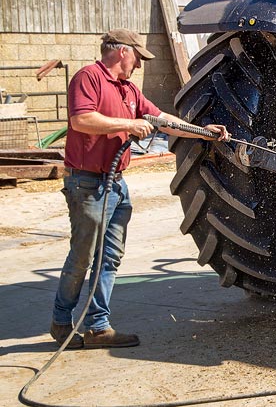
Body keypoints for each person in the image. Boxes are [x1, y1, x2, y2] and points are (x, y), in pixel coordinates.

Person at [50, 29, 229, 350]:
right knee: (82, 256)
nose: (139, 64)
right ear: (122, 52)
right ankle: (62, 322)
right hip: (87, 183)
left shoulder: (129, 90)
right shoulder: (88, 78)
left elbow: (163, 121)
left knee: (110, 258)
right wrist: (128, 125)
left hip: (116, 184)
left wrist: (202, 132)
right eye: (137, 57)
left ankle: (97, 327)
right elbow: (81, 120)